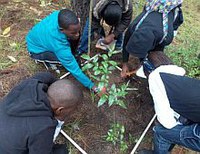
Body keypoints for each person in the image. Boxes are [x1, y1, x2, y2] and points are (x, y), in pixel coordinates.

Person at [0, 72, 83, 154]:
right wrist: (59, 119)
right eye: (73, 110)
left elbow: (47, 75)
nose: (73, 112)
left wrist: (60, 89)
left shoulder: (31, 83)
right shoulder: (43, 127)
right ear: (59, 110)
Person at [138, 51, 200, 154]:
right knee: (179, 126)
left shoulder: (155, 77)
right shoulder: (178, 75)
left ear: (148, 71)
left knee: (161, 132)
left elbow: (166, 122)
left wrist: (171, 124)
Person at [26, 9, 100, 93]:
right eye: (73, 33)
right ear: (61, 30)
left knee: (72, 47)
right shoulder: (59, 45)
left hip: (39, 36)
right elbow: (74, 69)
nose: (77, 34)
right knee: (63, 60)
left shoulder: (60, 15)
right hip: (36, 50)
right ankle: (48, 62)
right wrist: (92, 86)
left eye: (78, 31)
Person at [121, 0, 184, 78]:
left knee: (155, 56)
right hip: (155, 4)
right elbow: (125, 42)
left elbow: (158, 53)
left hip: (171, 5)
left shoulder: (166, 37)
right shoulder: (133, 27)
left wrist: (143, 68)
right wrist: (124, 64)